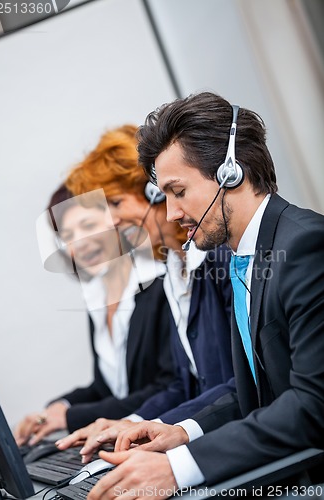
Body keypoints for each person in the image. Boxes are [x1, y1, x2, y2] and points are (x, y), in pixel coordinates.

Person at [82, 91, 324, 500]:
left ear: (232, 173)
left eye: (178, 191)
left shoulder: (305, 246)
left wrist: (178, 469)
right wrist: (179, 432)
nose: (172, 213)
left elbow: (312, 404)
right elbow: (256, 390)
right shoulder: (243, 256)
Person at [54, 123, 234, 462]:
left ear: (157, 192)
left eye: (117, 203)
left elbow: (241, 386)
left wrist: (170, 433)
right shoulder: (173, 274)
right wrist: (129, 423)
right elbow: (185, 385)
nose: (112, 220)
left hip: (232, 446)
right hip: (210, 439)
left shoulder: (218, 263)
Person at [14, 180, 176, 446]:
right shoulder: (97, 299)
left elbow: (169, 387)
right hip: (128, 444)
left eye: (88, 226)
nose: (79, 244)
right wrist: (58, 408)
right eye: (67, 236)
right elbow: (108, 388)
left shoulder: (160, 286)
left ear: (115, 221)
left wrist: (71, 417)